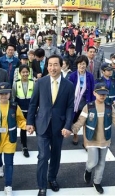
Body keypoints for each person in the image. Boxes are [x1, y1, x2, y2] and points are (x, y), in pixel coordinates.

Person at [72, 83, 115, 194]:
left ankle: (97, 182)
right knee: (93, 161)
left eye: (104, 94)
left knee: (101, 163)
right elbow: (80, 122)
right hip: (91, 139)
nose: (102, 96)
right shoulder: (89, 107)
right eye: (100, 94)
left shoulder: (110, 107)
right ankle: (88, 169)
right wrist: (71, 130)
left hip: (105, 139)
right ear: (94, 93)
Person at [26, 54, 74, 196]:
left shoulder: (69, 85)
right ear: (47, 66)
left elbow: (70, 107)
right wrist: (29, 122)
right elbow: (33, 103)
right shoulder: (40, 82)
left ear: (61, 66)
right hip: (42, 124)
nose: (52, 68)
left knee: (55, 155)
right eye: (50, 65)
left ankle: (52, 178)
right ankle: (41, 186)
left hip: (59, 127)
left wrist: (67, 125)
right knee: (43, 156)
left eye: (56, 65)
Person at [0, 82, 26, 196]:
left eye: (6, 93)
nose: (3, 96)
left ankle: (8, 186)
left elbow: (21, 120)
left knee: (9, 163)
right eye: (1, 94)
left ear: (9, 94)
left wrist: (26, 126)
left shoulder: (14, 106)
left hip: (9, 138)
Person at [69, 55, 95, 145]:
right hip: (75, 103)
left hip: (86, 102)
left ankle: (86, 140)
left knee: (86, 121)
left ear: (86, 65)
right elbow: (69, 91)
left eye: (83, 64)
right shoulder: (72, 76)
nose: (82, 66)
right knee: (75, 120)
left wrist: (93, 103)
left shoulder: (90, 76)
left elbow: (93, 90)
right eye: (80, 64)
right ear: (77, 65)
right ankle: (75, 135)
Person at [12, 64, 34, 157]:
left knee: (36, 127)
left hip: (31, 110)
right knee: (23, 128)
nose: (25, 74)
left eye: (26, 72)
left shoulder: (33, 82)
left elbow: (36, 97)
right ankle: (24, 146)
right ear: (20, 73)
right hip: (20, 110)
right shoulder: (16, 83)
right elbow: (13, 97)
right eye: (23, 72)